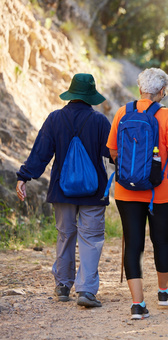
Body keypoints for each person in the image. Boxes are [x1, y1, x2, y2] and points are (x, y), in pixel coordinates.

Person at [16, 73, 111, 308]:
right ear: (91, 96)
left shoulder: (55, 119)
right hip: (94, 191)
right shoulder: (100, 121)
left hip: (62, 190)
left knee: (65, 235)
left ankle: (62, 286)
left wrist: (24, 176)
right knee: (91, 238)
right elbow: (114, 154)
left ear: (71, 94)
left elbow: (41, 152)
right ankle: (86, 290)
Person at [106, 68, 168, 320]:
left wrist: (133, 169)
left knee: (134, 244)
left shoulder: (122, 112)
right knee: (161, 241)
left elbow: (112, 152)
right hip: (160, 191)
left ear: (140, 88)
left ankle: (137, 305)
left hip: (126, 190)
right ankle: (164, 293)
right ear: (162, 91)